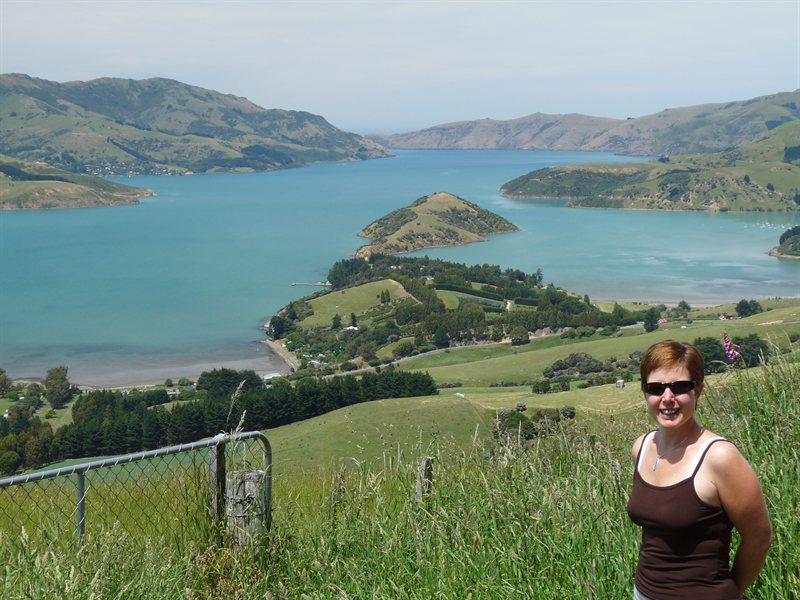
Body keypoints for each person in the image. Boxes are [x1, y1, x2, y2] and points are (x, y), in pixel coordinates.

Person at [627, 340, 772, 600]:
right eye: (656, 388)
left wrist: (731, 592)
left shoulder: (720, 457)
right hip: (643, 593)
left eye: (680, 387)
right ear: (645, 393)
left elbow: (759, 538)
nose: (667, 398)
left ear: (698, 390)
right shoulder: (642, 447)